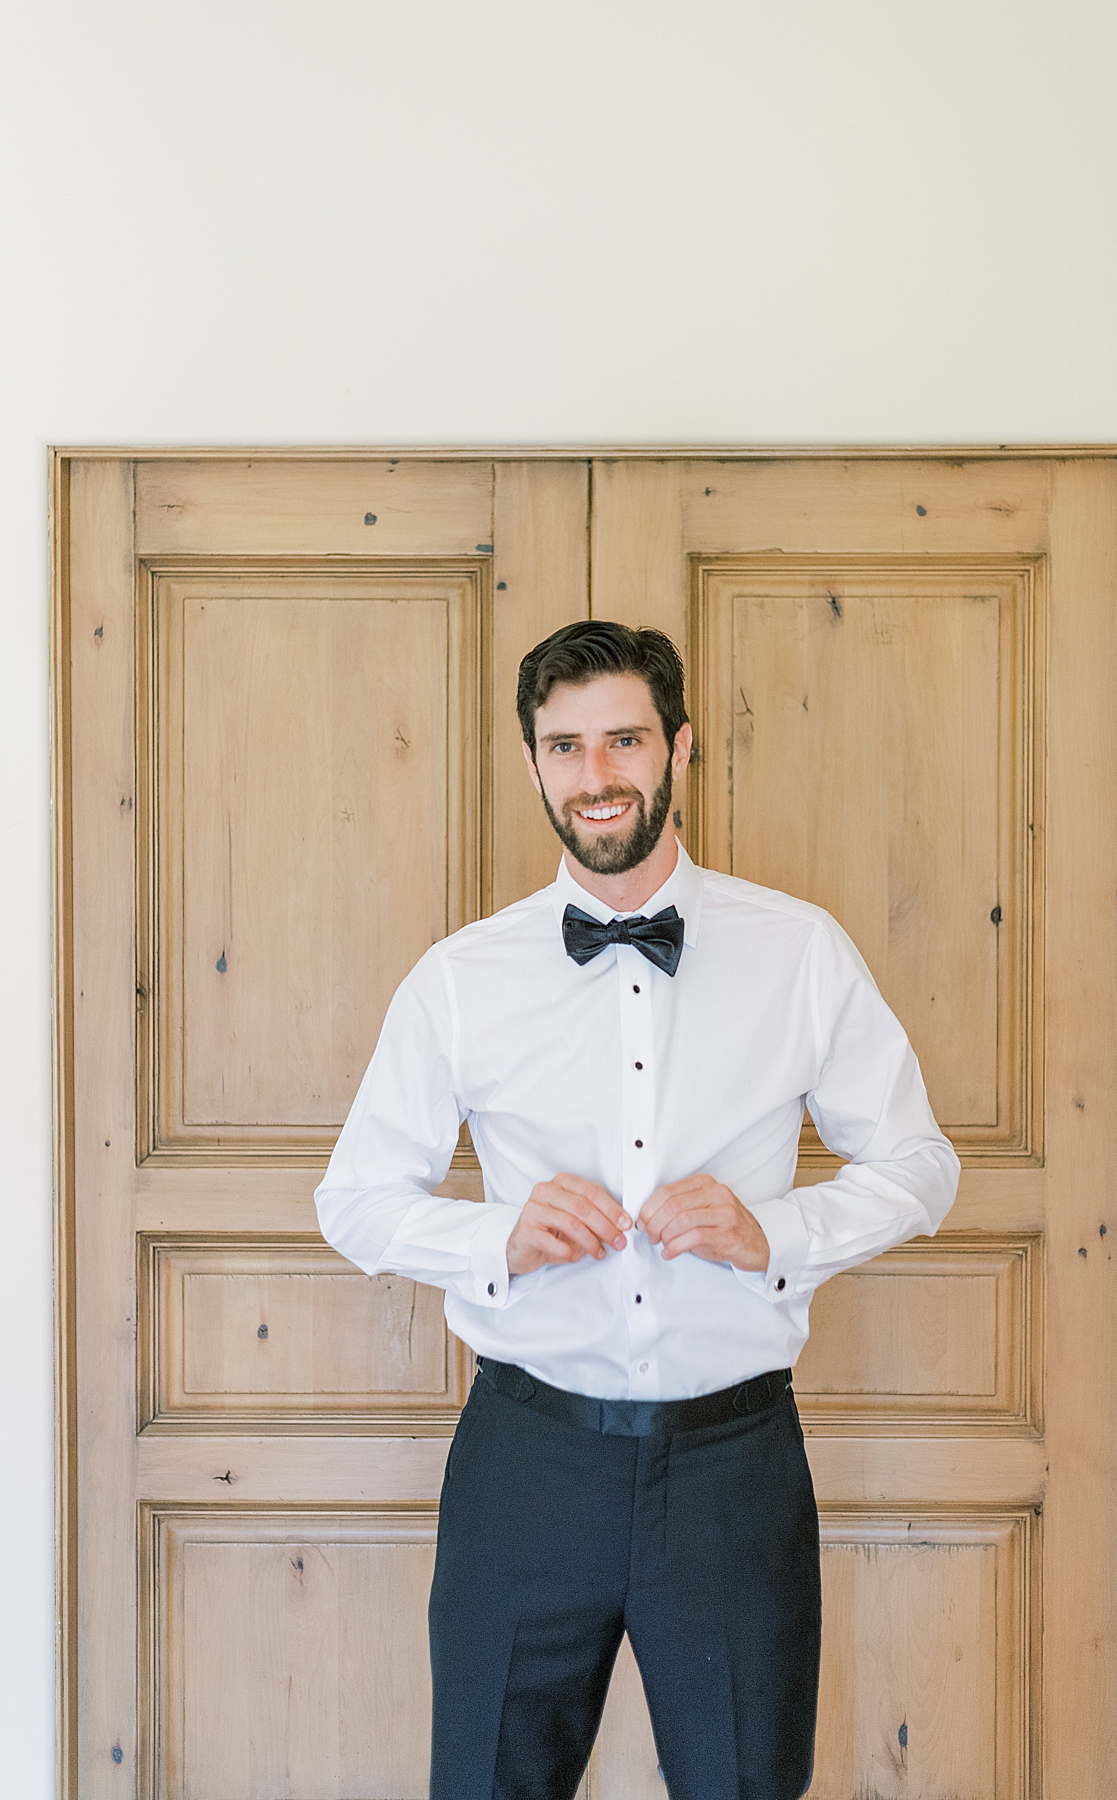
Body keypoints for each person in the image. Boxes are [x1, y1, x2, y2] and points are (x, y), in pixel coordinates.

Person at [316, 620, 958, 1800]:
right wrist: (489, 1237)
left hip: (733, 1465)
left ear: (679, 748)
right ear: (533, 765)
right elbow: (352, 1201)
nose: (596, 774)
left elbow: (921, 1161)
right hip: (526, 1463)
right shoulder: (461, 979)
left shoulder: (800, 953)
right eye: (565, 746)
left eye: (623, 739)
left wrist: (783, 1232)